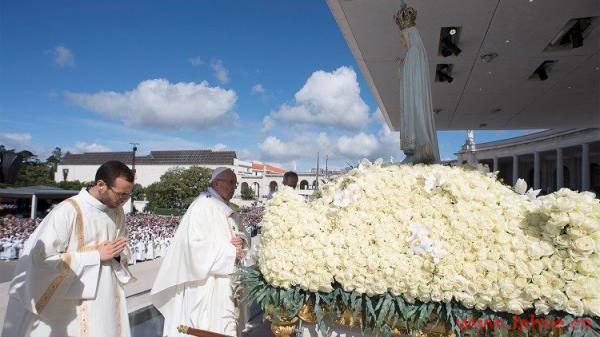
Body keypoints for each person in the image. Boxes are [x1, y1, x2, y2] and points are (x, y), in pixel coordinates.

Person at [1, 160, 135, 337]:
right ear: (101, 185)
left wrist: (117, 255)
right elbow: (40, 259)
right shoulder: (68, 211)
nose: (124, 201)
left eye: (128, 195)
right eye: (120, 194)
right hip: (74, 302)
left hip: (108, 296)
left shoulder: (117, 212)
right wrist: (95, 255)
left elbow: (121, 250)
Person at [151, 167, 245, 337]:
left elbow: (242, 233)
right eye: (231, 183)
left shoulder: (229, 207)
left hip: (227, 282)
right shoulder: (202, 206)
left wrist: (242, 241)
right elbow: (192, 248)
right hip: (207, 284)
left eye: (235, 183)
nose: (234, 187)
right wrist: (230, 252)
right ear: (217, 183)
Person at [394, 1, 440, 164]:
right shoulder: (413, 53)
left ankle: (421, 147)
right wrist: (402, 66)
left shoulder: (413, 52)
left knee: (416, 116)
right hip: (415, 93)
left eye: (402, 36)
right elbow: (411, 76)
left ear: (408, 34)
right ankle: (420, 149)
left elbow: (411, 80)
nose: (401, 41)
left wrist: (403, 67)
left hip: (415, 97)